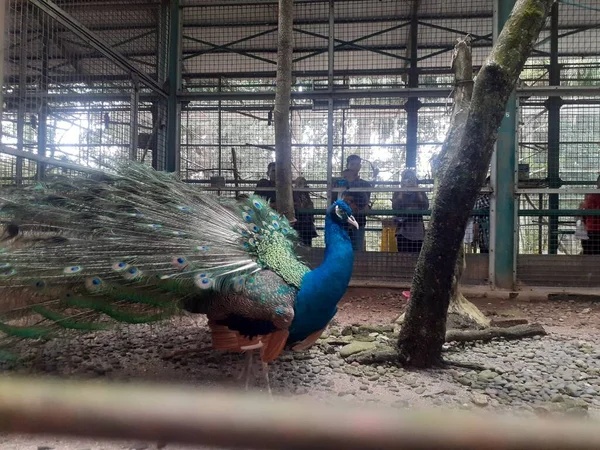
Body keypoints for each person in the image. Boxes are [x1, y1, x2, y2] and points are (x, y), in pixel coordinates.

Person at [333, 155, 372, 251]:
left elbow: (365, 202)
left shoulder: (365, 184)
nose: (355, 166)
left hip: (358, 221)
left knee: (357, 250)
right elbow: (333, 200)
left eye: (358, 164)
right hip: (341, 221)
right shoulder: (338, 183)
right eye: (353, 164)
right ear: (348, 165)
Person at [392, 169, 429, 253]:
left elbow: (425, 206)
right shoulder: (397, 192)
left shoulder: (420, 192)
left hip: (417, 229)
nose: (409, 180)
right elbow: (394, 207)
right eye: (406, 178)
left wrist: (418, 191)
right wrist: (402, 191)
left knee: (417, 254)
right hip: (403, 229)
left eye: (411, 178)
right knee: (403, 255)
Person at [292, 176, 318, 247]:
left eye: (303, 183)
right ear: (296, 183)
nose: (301, 184)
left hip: (307, 222)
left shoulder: (306, 193)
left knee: (307, 242)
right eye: (300, 183)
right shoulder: (293, 192)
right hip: (298, 220)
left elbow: (309, 204)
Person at [580, 174, 600, 255]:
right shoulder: (592, 196)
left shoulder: (590, 196)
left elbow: (583, 213)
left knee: (590, 255)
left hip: (591, 231)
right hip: (593, 231)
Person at [473, 176, 491, 254]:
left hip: (499, 240)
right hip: (485, 239)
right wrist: (475, 237)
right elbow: (476, 222)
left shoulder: (502, 200)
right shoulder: (480, 200)